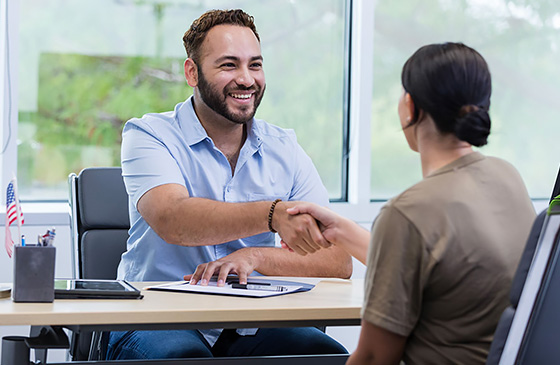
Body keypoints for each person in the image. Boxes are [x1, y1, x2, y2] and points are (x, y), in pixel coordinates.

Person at [107, 9, 351, 360]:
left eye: (255, 65)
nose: (246, 79)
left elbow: (338, 258)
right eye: (228, 65)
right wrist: (272, 215)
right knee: (183, 357)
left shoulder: (284, 148)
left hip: (251, 322)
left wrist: (254, 256)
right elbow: (173, 219)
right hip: (158, 319)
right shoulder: (149, 135)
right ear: (192, 72)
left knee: (323, 354)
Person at [285, 42, 536, 364]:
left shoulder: (407, 213)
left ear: (410, 107)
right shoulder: (506, 176)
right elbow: (439, 266)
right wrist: (342, 232)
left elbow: (376, 358)